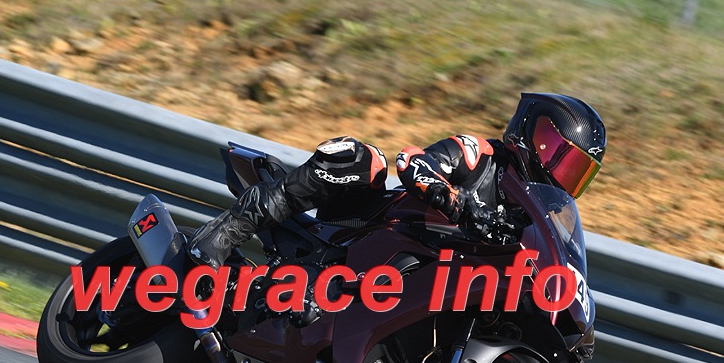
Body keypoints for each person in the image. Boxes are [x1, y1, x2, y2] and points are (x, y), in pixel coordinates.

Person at [188, 92, 606, 268]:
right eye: (562, 157)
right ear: (534, 135)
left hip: (433, 278)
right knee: (364, 160)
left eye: (577, 171)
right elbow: (411, 161)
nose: (564, 174)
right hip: (366, 228)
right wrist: (456, 202)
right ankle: (224, 233)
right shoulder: (480, 155)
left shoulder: (535, 215)